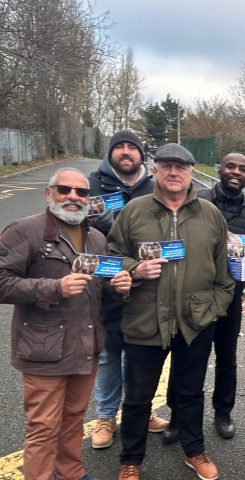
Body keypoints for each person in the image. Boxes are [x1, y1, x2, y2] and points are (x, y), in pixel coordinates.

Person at [0, 168, 132, 480]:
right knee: (42, 428)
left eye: (81, 192)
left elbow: (99, 290)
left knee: (73, 417)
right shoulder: (25, 231)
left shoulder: (96, 237)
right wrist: (53, 287)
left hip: (85, 346)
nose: (74, 197)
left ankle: (69, 476)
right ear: (49, 194)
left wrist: (119, 286)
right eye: (65, 189)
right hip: (43, 350)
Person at [107, 143, 235, 480]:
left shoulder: (210, 215)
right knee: (138, 396)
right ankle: (131, 461)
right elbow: (113, 255)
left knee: (190, 392)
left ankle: (194, 451)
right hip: (145, 318)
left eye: (181, 167)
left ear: (192, 172)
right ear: (155, 170)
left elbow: (224, 271)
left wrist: (215, 308)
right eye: (166, 166)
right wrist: (134, 269)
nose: (173, 173)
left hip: (196, 320)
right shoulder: (134, 211)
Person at [158, 153, 245, 443]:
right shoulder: (196, 202)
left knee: (227, 358)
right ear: (219, 170)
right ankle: (178, 415)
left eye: (242, 169)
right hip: (194, 298)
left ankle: (223, 413)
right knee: (186, 358)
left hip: (231, 298)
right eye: (230, 166)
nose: (236, 172)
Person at [87, 130, 166, 450]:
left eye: (131, 147)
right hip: (107, 283)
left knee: (138, 355)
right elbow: (75, 227)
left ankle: (140, 409)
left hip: (146, 285)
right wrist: (100, 224)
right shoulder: (93, 186)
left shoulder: (154, 187)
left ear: (141, 155)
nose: (125, 152)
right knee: (109, 354)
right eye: (118, 147)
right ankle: (106, 416)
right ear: (110, 154)